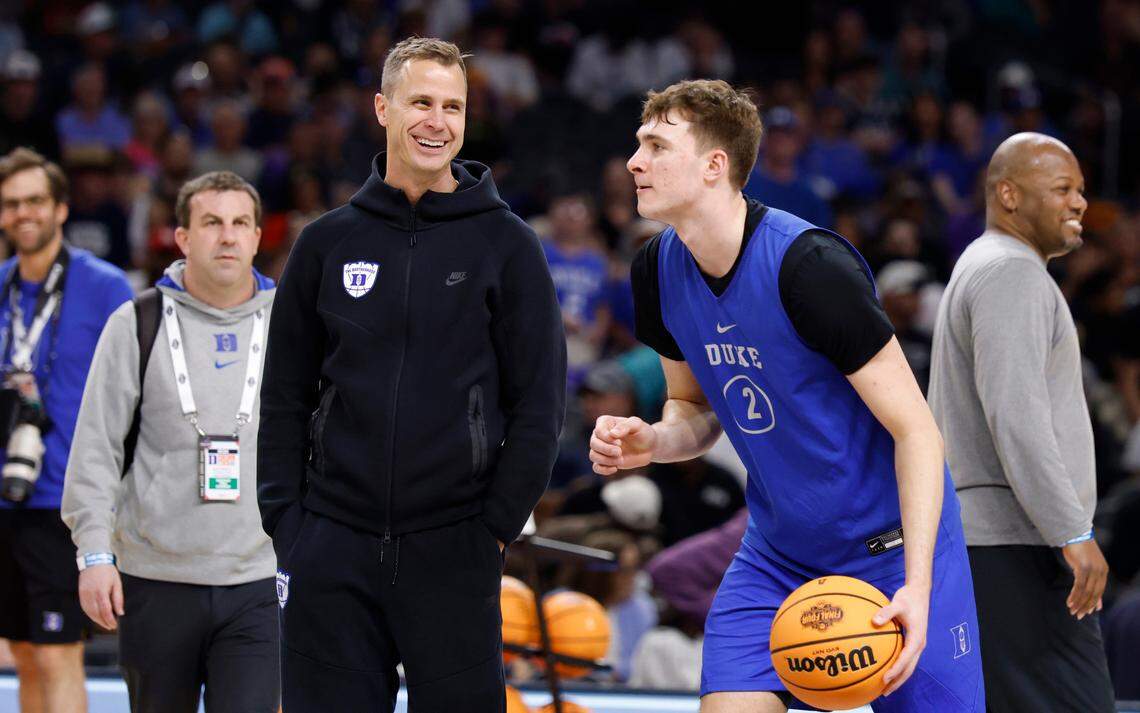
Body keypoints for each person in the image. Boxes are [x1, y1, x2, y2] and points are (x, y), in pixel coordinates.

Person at [590, 80, 983, 712]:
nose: (634, 162)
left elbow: (918, 433)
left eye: (656, 146)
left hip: (893, 551)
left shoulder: (810, 269)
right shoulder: (655, 271)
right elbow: (692, 409)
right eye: (639, 144)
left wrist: (917, 585)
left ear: (715, 165)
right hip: (777, 554)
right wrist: (654, 440)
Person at [257, 37, 566, 713]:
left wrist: (493, 528)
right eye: (421, 101)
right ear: (382, 108)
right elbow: (282, 395)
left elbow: (539, 405)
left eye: (452, 106)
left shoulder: (507, 244)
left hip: (455, 547)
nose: (437, 121)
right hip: (331, 545)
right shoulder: (326, 242)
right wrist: (290, 526)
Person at [61, 171, 279, 713]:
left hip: (258, 579)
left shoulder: (293, 325)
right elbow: (95, 450)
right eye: (211, 223)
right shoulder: (136, 322)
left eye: (239, 224)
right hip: (154, 579)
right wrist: (94, 554)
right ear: (182, 238)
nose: (227, 236)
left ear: (257, 237)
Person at [928, 132, 1116, 712]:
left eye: (1081, 190)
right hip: (1015, 543)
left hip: (993, 541)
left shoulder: (987, 265)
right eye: (1063, 188)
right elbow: (1017, 415)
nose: (1080, 202)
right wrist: (1071, 530)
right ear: (1008, 194)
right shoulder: (1011, 273)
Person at [0, 147, 133, 713]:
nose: (23, 213)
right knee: (24, 653)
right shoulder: (1, 284)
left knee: (58, 655)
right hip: (6, 499)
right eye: (11, 204)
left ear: (60, 209)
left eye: (34, 201)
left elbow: (137, 391)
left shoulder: (104, 287)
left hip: (65, 502)